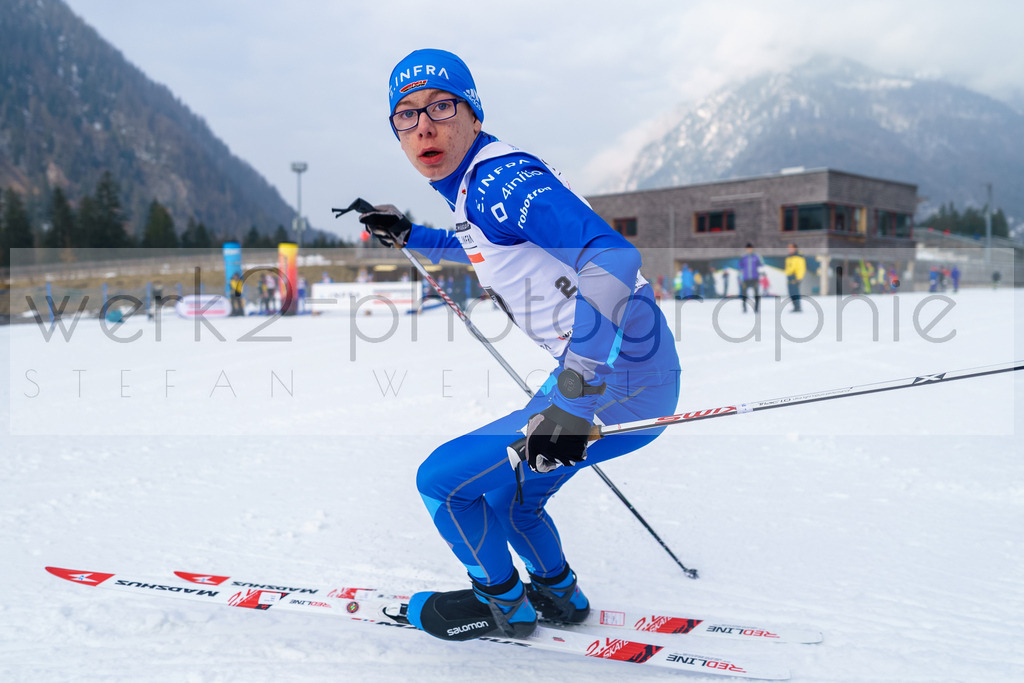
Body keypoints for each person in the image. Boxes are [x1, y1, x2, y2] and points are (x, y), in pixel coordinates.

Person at [358, 49, 680, 643]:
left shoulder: (498, 181)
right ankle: (558, 593)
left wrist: (574, 400)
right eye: (406, 115)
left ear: (473, 114)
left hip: (616, 382)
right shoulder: (473, 185)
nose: (424, 126)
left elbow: (612, 258)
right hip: (612, 374)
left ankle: (503, 602)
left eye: (441, 106)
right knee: (511, 498)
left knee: (443, 483)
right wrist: (408, 233)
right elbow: (487, 243)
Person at [738, 243, 763, 313]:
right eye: (748, 249)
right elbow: (739, 266)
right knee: (744, 294)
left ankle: (756, 308)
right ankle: (744, 308)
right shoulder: (743, 257)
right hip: (746, 279)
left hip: (755, 278)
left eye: (750, 249)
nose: (749, 250)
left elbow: (761, 265)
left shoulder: (756, 256)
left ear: (752, 249)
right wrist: (740, 276)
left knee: (756, 294)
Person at [784, 243, 806, 312]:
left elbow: (801, 268)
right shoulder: (789, 257)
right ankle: (794, 306)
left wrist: (799, 278)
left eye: (791, 247)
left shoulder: (798, 257)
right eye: (789, 248)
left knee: (795, 292)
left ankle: (798, 307)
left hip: (795, 277)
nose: (789, 249)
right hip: (789, 277)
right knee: (791, 293)